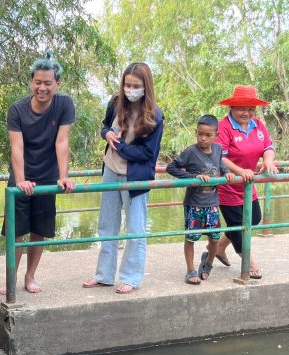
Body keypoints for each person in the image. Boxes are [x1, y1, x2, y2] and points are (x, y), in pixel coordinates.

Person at [83, 62, 164, 294]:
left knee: (135, 228)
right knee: (107, 224)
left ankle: (131, 277)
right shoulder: (115, 103)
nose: (130, 89)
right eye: (127, 84)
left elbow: (149, 153)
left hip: (135, 176)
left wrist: (120, 148)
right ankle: (104, 275)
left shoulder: (155, 116)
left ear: (145, 86)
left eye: (135, 85)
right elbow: (104, 128)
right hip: (110, 170)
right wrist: (107, 134)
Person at [0, 52, 75, 295]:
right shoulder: (17, 109)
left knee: (39, 231)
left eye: (48, 83)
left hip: (47, 177)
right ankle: (10, 276)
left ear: (57, 84)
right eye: (38, 82)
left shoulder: (64, 104)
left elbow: (61, 142)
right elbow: (16, 147)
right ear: (31, 81)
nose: (42, 88)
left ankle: (29, 277)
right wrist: (20, 181)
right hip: (21, 177)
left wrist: (63, 176)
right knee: (16, 231)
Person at [214, 85, 278, 278]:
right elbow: (220, 157)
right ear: (232, 107)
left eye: (251, 108)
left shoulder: (258, 125)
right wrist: (241, 171)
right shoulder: (223, 127)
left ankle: (218, 248)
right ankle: (249, 264)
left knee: (254, 218)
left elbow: (268, 146)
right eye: (242, 108)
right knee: (240, 228)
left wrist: (268, 161)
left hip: (248, 186)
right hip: (228, 184)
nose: (247, 113)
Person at [166, 115, 235, 285]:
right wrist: (194, 177)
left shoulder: (218, 149)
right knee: (191, 238)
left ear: (216, 135)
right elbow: (171, 167)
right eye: (200, 134)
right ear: (196, 133)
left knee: (214, 238)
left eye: (207, 135)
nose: (203, 138)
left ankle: (208, 263)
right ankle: (190, 270)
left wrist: (227, 173)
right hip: (194, 204)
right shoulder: (190, 151)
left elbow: (221, 164)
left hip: (212, 203)